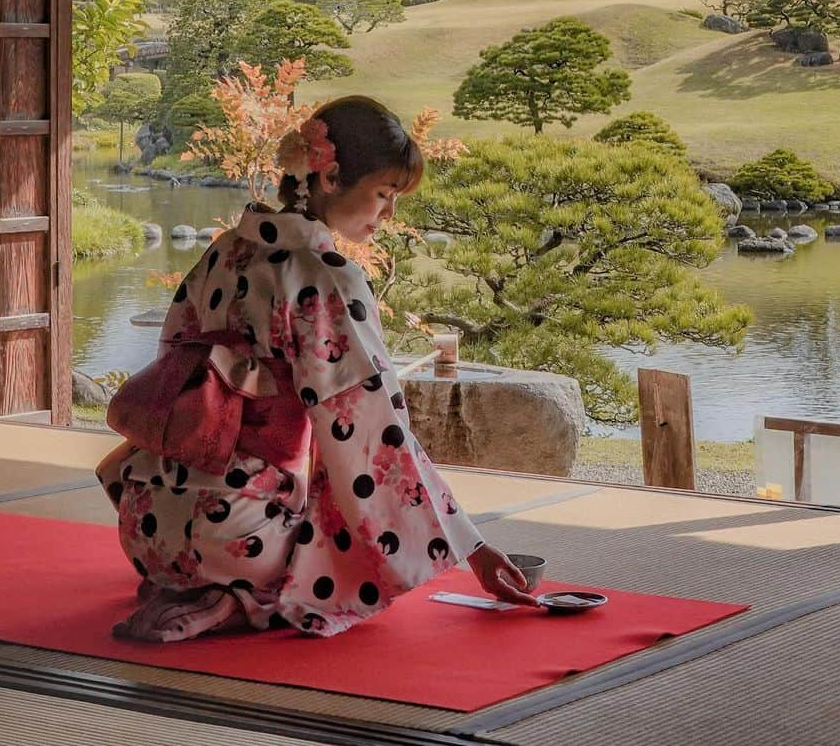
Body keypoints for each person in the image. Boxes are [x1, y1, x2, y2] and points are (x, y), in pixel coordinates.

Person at [97, 95, 536, 641]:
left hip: (142, 521)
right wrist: (471, 545)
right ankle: (239, 601)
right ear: (328, 176)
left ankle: (183, 584)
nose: (389, 214)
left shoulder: (227, 251)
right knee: (343, 558)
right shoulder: (325, 277)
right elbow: (378, 428)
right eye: (383, 194)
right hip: (237, 532)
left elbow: (172, 374)